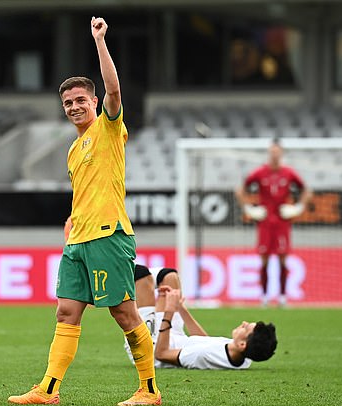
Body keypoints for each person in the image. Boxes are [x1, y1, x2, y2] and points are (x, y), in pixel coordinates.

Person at [8, 17, 161, 406]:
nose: (74, 107)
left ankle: (149, 390)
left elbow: (114, 87)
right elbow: (88, 190)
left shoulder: (109, 129)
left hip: (108, 235)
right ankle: (48, 390)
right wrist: (73, 220)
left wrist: (99, 40)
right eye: (68, 103)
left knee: (124, 314)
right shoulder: (74, 150)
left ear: (94, 102)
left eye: (80, 100)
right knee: (65, 312)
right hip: (78, 239)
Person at [126, 265, 277, 369]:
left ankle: (106, 274)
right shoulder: (243, 358)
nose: (243, 323)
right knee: (169, 276)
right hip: (174, 336)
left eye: (246, 327)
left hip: (149, 349)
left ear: (243, 345)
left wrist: (170, 312)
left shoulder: (201, 356)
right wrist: (180, 307)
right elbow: (204, 340)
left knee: (140, 275)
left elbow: (161, 354)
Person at [234, 139, 312, 307]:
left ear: (281, 153)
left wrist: (298, 208)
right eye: (272, 152)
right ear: (269, 153)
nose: (275, 155)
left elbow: (306, 190)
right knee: (264, 260)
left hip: (282, 223)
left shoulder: (289, 173)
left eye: (277, 152)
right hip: (265, 224)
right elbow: (240, 191)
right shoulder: (260, 173)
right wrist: (249, 209)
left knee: (283, 259)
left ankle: (283, 297)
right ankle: (264, 297)